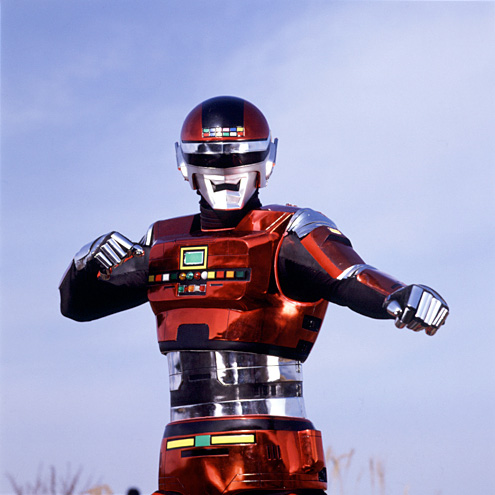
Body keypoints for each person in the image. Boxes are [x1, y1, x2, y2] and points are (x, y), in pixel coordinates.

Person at [60, 96, 449, 495]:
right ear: (186, 164)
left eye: (239, 158)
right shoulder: (162, 242)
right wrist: (84, 262)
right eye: (211, 160)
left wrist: (398, 295)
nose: (226, 172)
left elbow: (348, 276)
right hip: (181, 459)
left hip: (271, 457)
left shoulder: (287, 232)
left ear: (265, 160)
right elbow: (77, 306)